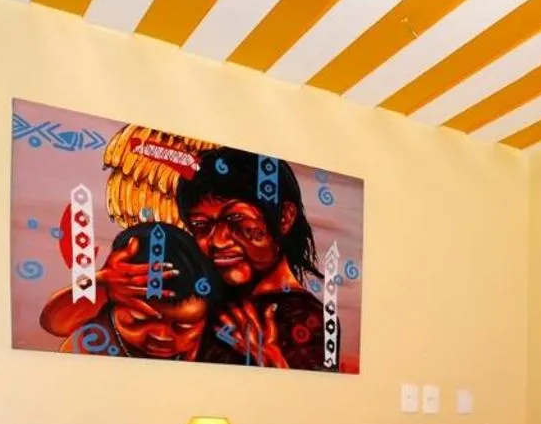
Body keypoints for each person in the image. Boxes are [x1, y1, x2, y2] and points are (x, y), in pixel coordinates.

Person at [174, 149, 330, 370]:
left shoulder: (309, 318)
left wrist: (274, 365)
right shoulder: (203, 304)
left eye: (236, 218)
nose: (218, 241)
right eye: (201, 225)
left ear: (284, 217)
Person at [46, 222, 224, 362]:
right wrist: (101, 281)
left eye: (183, 327)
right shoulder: (91, 341)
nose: (161, 337)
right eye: (139, 320)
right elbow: (54, 323)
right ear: (110, 300)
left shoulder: (215, 342)